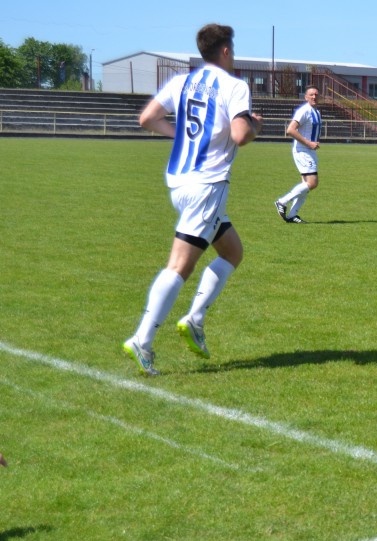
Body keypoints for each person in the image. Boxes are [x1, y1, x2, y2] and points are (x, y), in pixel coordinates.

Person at [122, 24, 263, 376]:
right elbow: (241, 134)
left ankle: (196, 318)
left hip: (180, 183)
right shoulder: (234, 86)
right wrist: (256, 125)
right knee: (180, 265)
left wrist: (182, 136)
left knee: (232, 252)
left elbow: (147, 119)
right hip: (207, 185)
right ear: (226, 51)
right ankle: (142, 339)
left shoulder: (181, 82)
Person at [275, 86, 322, 224]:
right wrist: (309, 143)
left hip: (309, 151)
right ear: (305, 97)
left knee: (306, 185)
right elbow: (290, 130)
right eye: (311, 95)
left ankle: (292, 215)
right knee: (312, 183)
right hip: (302, 150)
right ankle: (282, 201)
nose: (314, 97)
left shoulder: (316, 112)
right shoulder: (304, 111)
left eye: (316, 94)